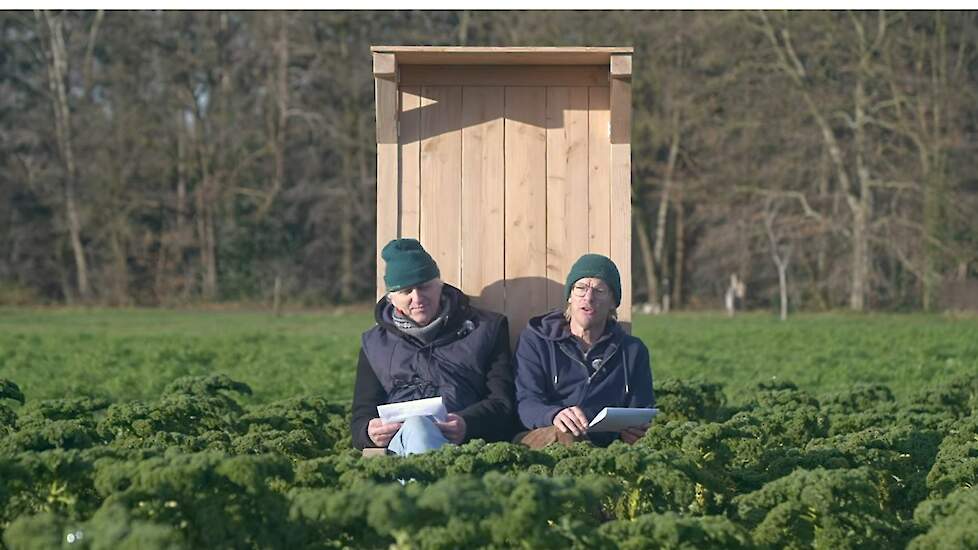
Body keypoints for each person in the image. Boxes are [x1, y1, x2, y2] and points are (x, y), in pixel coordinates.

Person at [350, 238, 515, 455]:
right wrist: (368, 432)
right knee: (418, 428)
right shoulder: (374, 344)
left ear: (439, 285)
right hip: (400, 444)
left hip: (468, 445)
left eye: (424, 286)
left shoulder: (487, 329)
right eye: (406, 291)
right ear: (391, 298)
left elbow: (503, 403)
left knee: (420, 432)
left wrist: (467, 424)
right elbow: (362, 414)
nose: (417, 298)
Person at [514, 253, 655, 448]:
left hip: (606, 446)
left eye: (599, 290)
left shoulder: (632, 351)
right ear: (570, 296)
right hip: (542, 437)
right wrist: (554, 415)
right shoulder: (536, 340)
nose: (588, 298)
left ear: (613, 302)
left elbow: (642, 411)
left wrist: (636, 433)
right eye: (581, 288)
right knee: (565, 434)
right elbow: (526, 403)